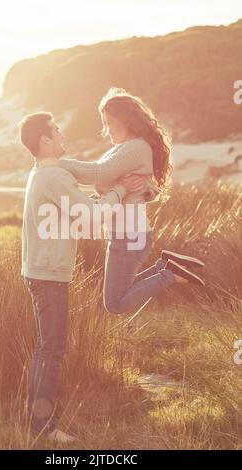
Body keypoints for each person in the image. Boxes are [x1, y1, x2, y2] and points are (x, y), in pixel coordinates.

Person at [18, 111, 143, 444]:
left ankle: (35, 418)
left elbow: (80, 212)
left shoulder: (41, 174)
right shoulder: (54, 176)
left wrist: (104, 197)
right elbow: (92, 218)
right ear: (44, 140)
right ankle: (44, 427)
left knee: (48, 348)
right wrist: (119, 190)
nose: (61, 135)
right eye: (56, 131)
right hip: (49, 276)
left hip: (42, 272)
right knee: (52, 349)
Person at [59, 87, 205, 316]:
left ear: (125, 120)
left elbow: (99, 174)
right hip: (128, 234)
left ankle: (168, 274)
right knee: (120, 293)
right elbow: (107, 180)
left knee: (114, 303)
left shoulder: (135, 147)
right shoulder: (123, 149)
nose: (106, 130)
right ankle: (165, 267)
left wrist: (56, 163)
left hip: (128, 235)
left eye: (109, 123)